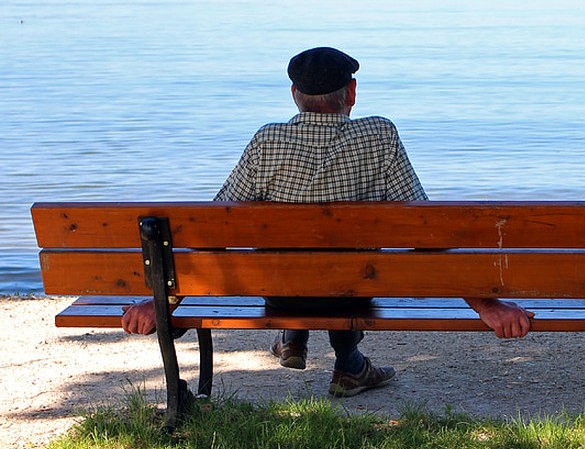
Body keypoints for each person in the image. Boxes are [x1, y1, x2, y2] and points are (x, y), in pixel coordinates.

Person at [121, 47, 534, 397]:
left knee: (296, 265)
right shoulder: (380, 136)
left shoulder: (268, 141)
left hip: (281, 293)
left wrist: (160, 298)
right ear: (351, 92)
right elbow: (424, 230)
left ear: (295, 95)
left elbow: (211, 231)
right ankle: (347, 365)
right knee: (347, 270)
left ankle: (295, 339)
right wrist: (487, 304)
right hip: (353, 292)